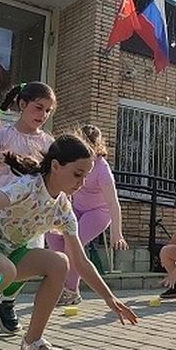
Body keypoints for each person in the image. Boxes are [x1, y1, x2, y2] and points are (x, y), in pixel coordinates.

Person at [0, 133, 138, 350]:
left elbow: (80, 261)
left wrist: (109, 298)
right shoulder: (28, 185)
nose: (81, 183)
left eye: (86, 176)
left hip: (9, 258)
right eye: (77, 174)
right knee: (5, 270)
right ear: (55, 166)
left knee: (59, 262)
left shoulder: (63, 207)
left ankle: (32, 345)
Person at [0, 81, 56, 334]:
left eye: (48, 111)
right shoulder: (2, 134)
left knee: (30, 258)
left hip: (30, 211)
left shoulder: (48, 142)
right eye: (38, 108)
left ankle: (6, 303)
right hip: (0, 208)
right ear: (22, 104)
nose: (43, 115)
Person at [47, 124, 128, 306]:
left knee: (73, 243)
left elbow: (113, 202)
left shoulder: (102, 169)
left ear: (97, 145)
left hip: (99, 212)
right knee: (52, 235)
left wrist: (117, 233)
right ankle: (60, 283)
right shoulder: (73, 159)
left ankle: (72, 291)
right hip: (76, 208)